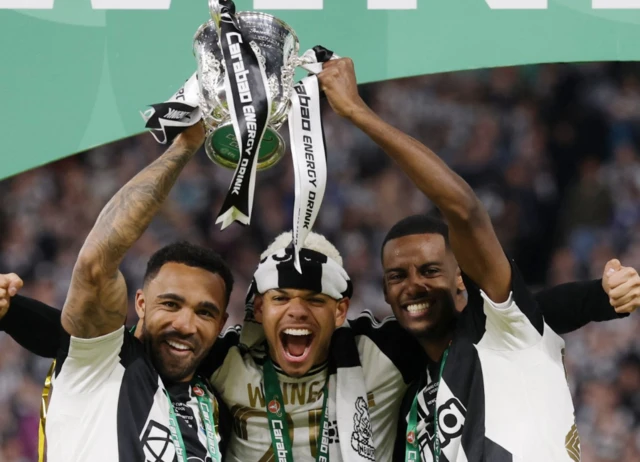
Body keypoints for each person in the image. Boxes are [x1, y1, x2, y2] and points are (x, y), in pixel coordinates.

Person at [317, 57, 640, 461]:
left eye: (430, 270)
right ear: (384, 290)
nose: (413, 284)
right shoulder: (411, 398)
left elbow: (465, 211)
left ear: (460, 278)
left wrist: (358, 113)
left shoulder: (505, 327)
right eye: (398, 275)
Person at [30, 122, 234, 462]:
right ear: (140, 303)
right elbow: (96, 263)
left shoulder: (212, 409)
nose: (185, 324)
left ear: (222, 322)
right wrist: (185, 146)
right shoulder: (100, 358)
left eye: (204, 312)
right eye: (171, 304)